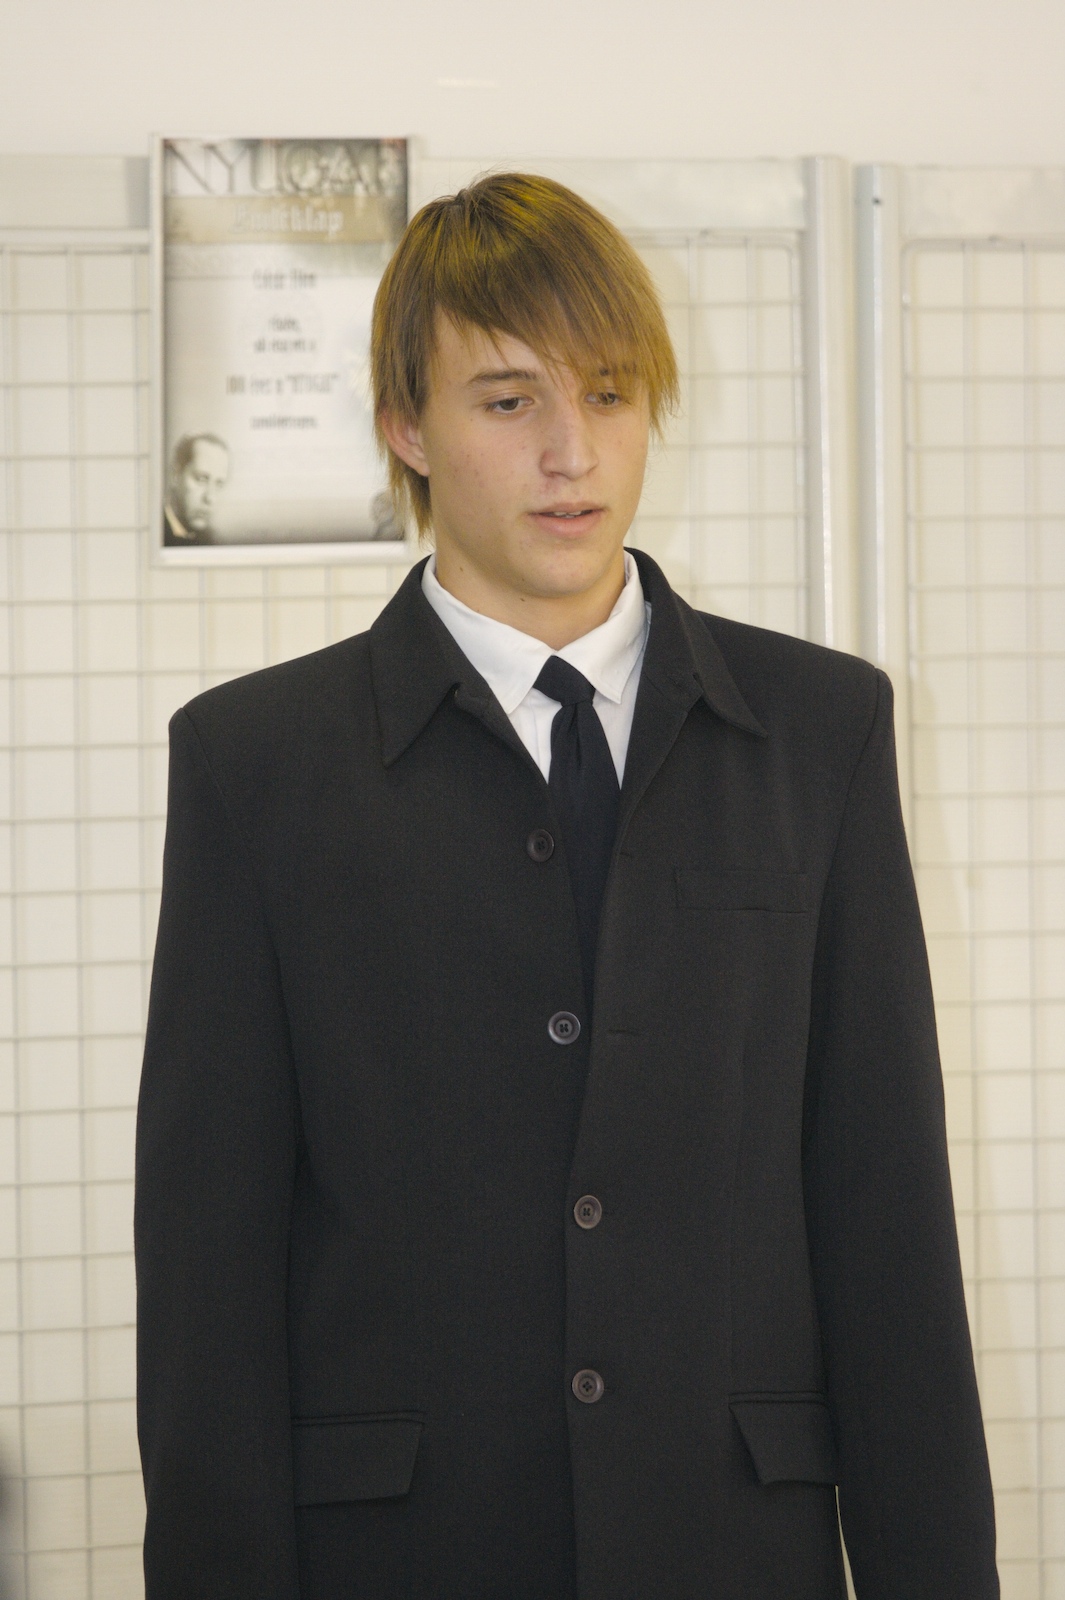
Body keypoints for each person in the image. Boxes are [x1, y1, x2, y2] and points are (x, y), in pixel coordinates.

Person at [135, 173, 998, 1599]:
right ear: (405, 426)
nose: (570, 452)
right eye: (506, 400)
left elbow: (886, 1217)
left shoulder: (819, 733)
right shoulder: (256, 766)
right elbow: (208, 1276)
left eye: (607, 393)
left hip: (733, 1549)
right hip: (406, 1556)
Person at [162, 432, 229, 543]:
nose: (210, 498)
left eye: (219, 484)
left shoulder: (211, 541)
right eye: (201, 479)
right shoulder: (155, 530)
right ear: (175, 475)